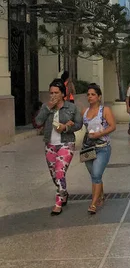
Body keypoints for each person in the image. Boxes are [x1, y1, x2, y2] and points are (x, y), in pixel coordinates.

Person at [35, 79, 82, 215]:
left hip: (66, 144)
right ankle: (64, 192)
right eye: (51, 93)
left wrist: (66, 127)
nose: (53, 95)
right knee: (54, 175)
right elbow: (38, 122)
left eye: (56, 92)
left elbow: (79, 124)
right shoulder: (46, 107)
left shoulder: (71, 108)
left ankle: (58, 202)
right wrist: (47, 108)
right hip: (50, 145)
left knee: (60, 171)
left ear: (62, 94)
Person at [83, 83, 116, 214]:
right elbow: (80, 125)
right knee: (94, 175)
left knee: (96, 174)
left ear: (99, 96)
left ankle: (93, 203)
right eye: (88, 95)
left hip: (103, 147)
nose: (90, 97)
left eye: (93, 94)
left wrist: (100, 134)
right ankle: (100, 195)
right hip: (88, 148)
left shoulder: (105, 110)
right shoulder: (84, 111)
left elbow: (112, 126)